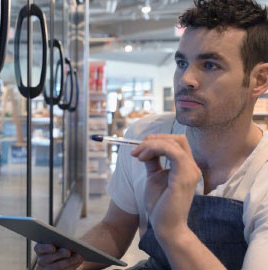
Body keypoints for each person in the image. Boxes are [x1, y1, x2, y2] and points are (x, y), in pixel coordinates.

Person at [35, 0, 268, 269]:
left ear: (260, 80)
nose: (185, 79)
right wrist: (72, 262)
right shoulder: (147, 135)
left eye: (210, 66)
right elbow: (114, 227)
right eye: (181, 62)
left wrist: (173, 231)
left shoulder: (261, 174)